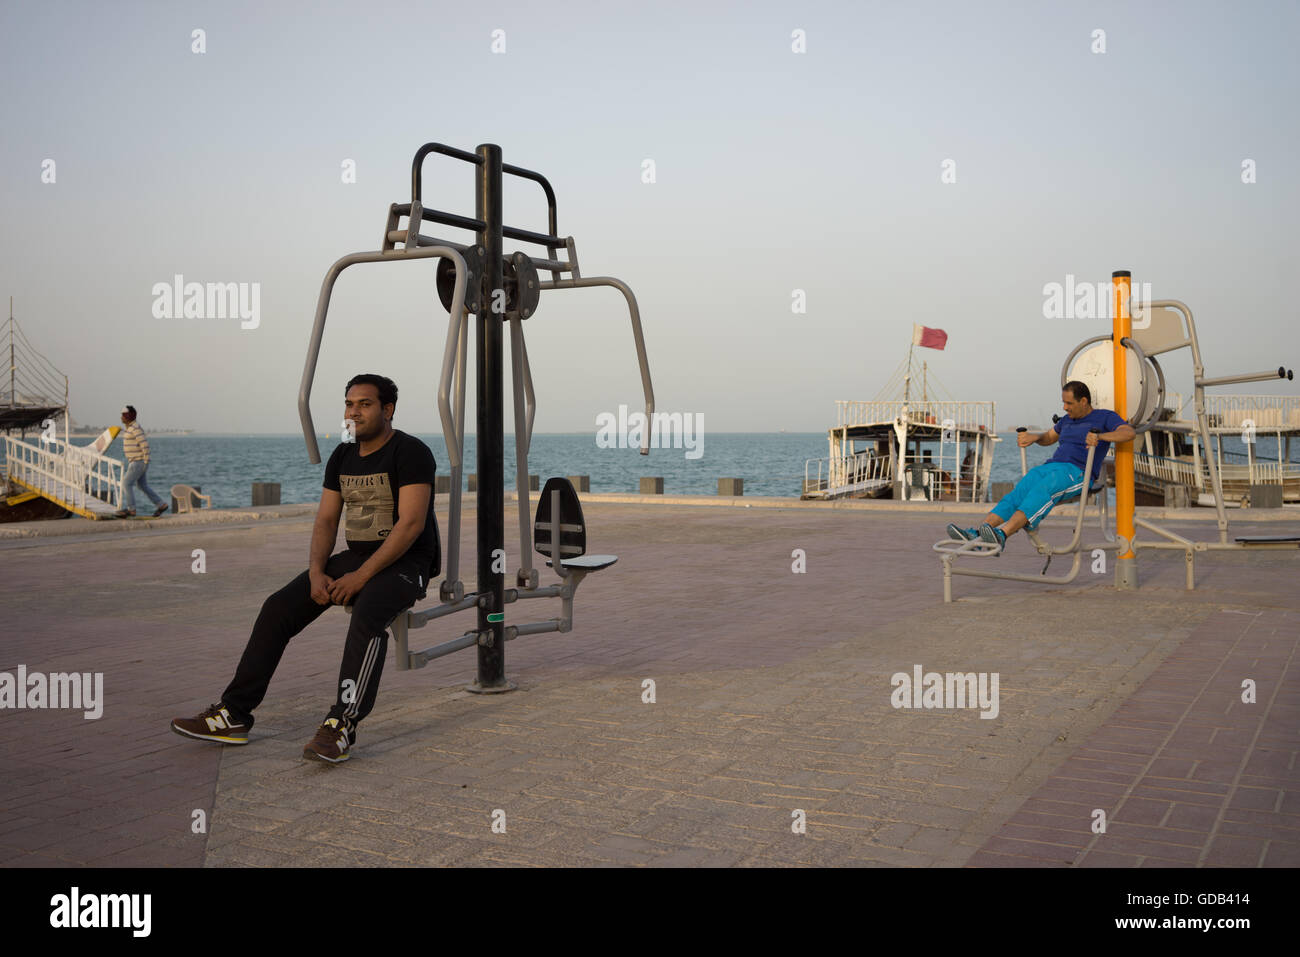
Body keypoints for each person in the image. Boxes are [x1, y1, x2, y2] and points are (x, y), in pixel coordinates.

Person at [171, 374, 439, 763]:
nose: (354, 412)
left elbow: (411, 524)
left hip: (408, 562)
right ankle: (234, 714)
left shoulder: (411, 451)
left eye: (364, 404)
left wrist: (361, 578)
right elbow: (327, 520)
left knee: (366, 614)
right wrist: (316, 571)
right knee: (278, 608)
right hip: (357, 558)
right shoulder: (343, 455)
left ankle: (341, 725)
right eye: (349, 404)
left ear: (388, 409)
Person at [946, 381, 1136, 553]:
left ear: (1084, 401)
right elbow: (1049, 438)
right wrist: (1034, 438)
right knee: (1019, 492)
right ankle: (979, 533)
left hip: (1078, 473)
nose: (1064, 407)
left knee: (1043, 489)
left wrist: (1100, 437)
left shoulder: (1104, 417)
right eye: (1063, 402)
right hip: (1051, 467)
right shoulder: (1066, 420)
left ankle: (1002, 534)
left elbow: (1128, 433)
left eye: (1069, 403)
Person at [114, 405, 168, 517]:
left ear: (128, 416)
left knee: (126, 483)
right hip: (136, 462)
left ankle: (131, 509)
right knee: (142, 485)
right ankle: (161, 505)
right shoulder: (130, 428)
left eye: (123, 415)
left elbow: (145, 445)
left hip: (138, 462)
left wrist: (146, 462)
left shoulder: (135, 428)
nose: (121, 417)